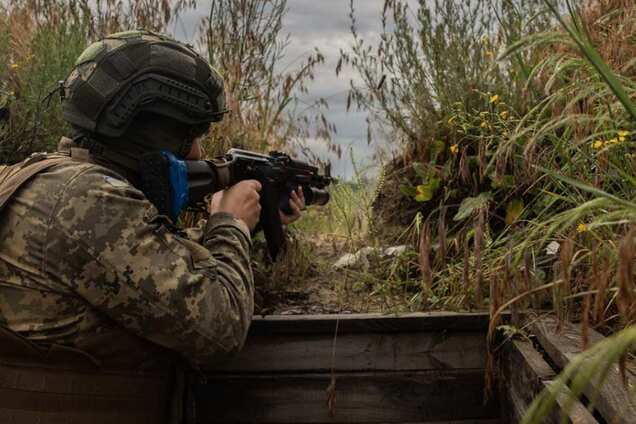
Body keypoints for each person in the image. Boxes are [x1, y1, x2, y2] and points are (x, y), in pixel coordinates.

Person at [0, 30, 304, 423]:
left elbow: (129, 264)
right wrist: (229, 225)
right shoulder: (89, 201)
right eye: (189, 135)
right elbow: (219, 327)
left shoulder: (41, 179)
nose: (197, 152)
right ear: (146, 131)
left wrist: (251, 224)